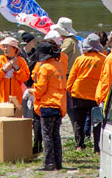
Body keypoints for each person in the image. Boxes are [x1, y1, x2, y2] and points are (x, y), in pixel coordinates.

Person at [31, 42, 67, 171]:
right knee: (55, 135)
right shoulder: (58, 65)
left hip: (48, 104)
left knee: (46, 135)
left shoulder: (44, 67)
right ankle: (58, 163)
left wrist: (31, 92)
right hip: (60, 104)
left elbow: (40, 88)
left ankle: (48, 163)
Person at [67, 35, 105, 151]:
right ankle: (97, 147)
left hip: (79, 93)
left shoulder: (80, 59)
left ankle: (79, 145)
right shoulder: (104, 59)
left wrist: (69, 90)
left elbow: (72, 77)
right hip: (96, 94)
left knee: (79, 120)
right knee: (97, 122)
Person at [0, 37, 30, 104]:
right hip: (0, 97)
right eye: (4, 47)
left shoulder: (21, 61)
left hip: (15, 97)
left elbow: (25, 78)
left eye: (7, 47)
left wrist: (17, 68)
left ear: (14, 48)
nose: (5, 49)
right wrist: (4, 70)